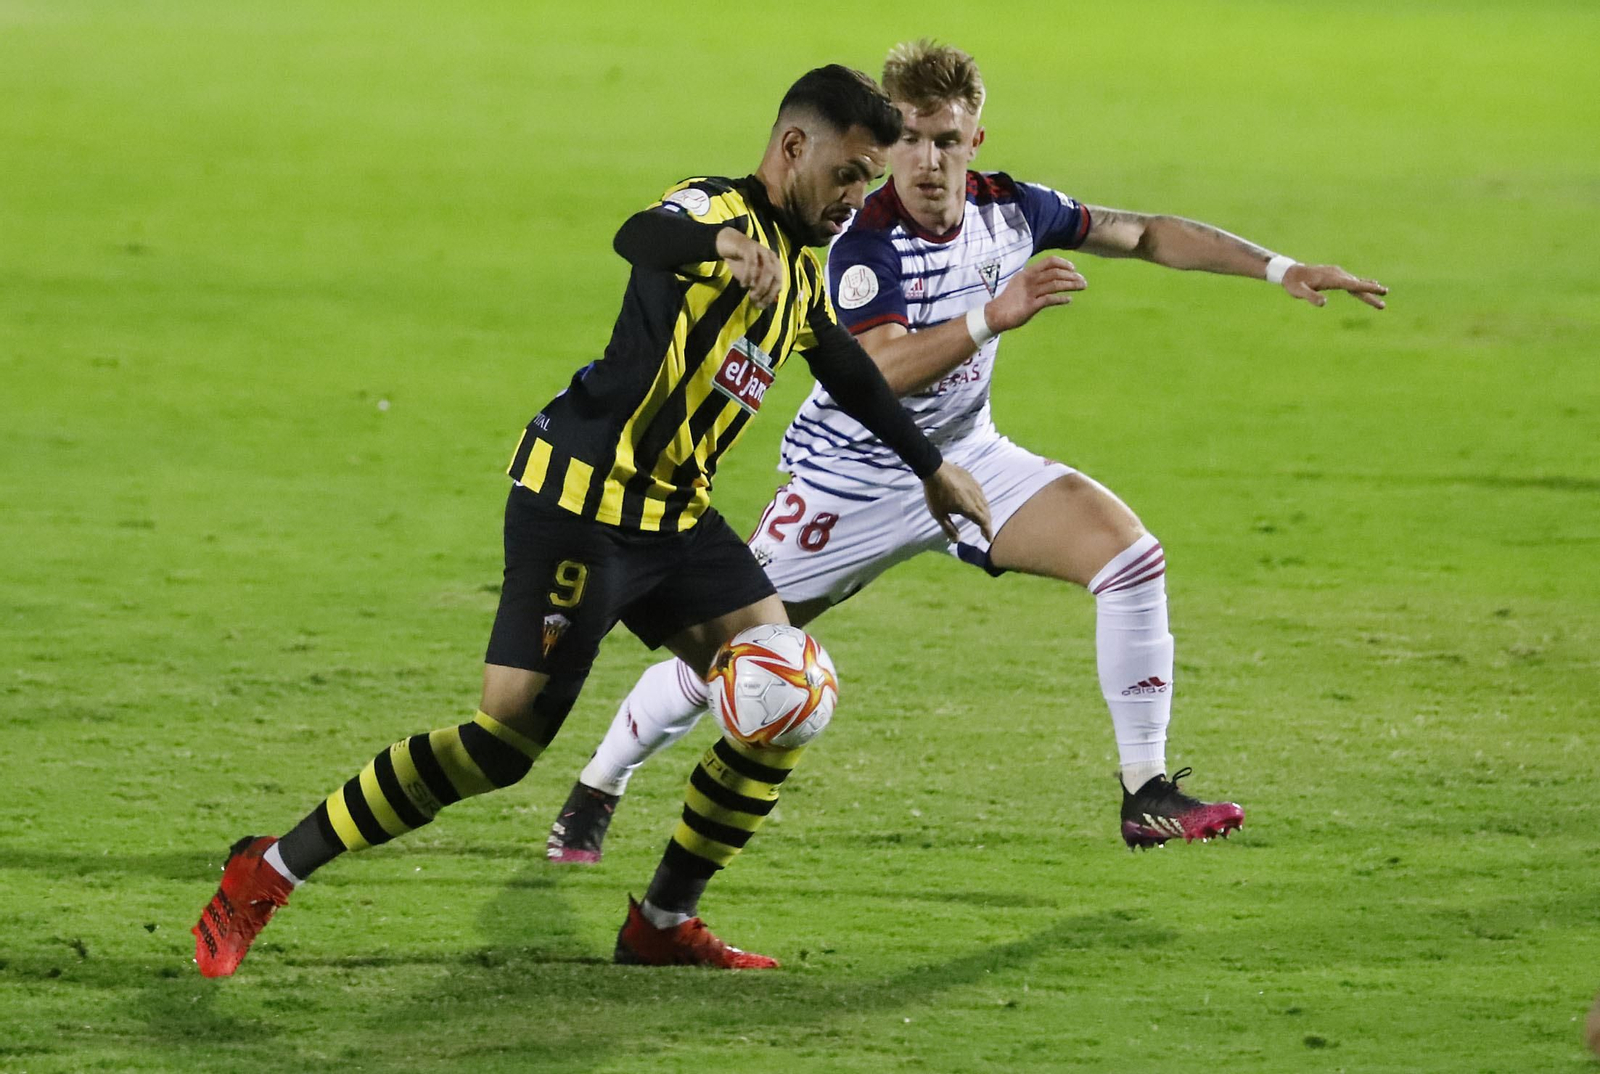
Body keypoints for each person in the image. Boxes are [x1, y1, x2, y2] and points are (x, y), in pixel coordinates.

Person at [190, 64, 992, 976]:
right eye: (850, 172)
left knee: (789, 698)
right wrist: (721, 251)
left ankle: (659, 921)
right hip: (579, 506)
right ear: (794, 148)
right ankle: (271, 869)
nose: (860, 195)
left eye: (870, 178)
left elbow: (844, 366)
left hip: (677, 523)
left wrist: (931, 469)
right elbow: (638, 236)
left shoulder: (800, 272)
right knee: (501, 748)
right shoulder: (711, 210)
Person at [546, 39, 1388, 865]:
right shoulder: (862, 240)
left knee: (1131, 559)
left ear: (973, 139)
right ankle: (599, 783)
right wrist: (995, 314)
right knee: (743, 663)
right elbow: (875, 369)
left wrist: (1279, 268)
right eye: (906, 138)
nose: (925, 160)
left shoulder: (1010, 209)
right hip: (847, 483)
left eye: (945, 139)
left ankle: (1146, 791)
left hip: (966, 461)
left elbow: (1145, 234)